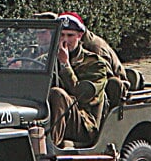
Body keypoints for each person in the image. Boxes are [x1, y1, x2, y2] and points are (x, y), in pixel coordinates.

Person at [47, 13, 113, 147]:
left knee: (57, 94)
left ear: (79, 36)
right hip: (51, 116)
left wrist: (65, 65)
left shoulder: (95, 63)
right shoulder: (47, 59)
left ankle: (50, 147)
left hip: (84, 122)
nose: (65, 40)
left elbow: (82, 96)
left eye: (70, 35)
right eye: (61, 35)